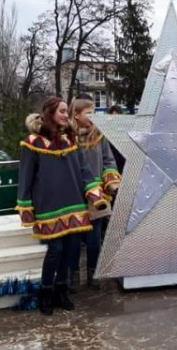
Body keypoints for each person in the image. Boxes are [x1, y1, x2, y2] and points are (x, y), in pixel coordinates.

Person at [16, 96, 108, 315]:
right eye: (62, 111)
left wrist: (95, 194)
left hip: (75, 204)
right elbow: (26, 176)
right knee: (55, 250)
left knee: (69, 251)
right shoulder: (33, 142)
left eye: (67, 111)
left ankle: (61, 291)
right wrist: (25, 206)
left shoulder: (70, 140)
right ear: (50, 113)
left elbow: (84, 171)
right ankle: (45, 293)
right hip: (48, 207)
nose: (66, 115)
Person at [66, 98, 121, 291]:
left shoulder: (99, 136)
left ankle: (93, 273)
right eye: (88, 113)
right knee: (74, 239)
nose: (93, 118)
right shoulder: (67, 138)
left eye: (94, 113)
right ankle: (72, 275)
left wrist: (111, 182)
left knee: (94, 238)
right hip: (74, 195)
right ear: (76, 116)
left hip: (97, 198)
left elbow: (109, 161)